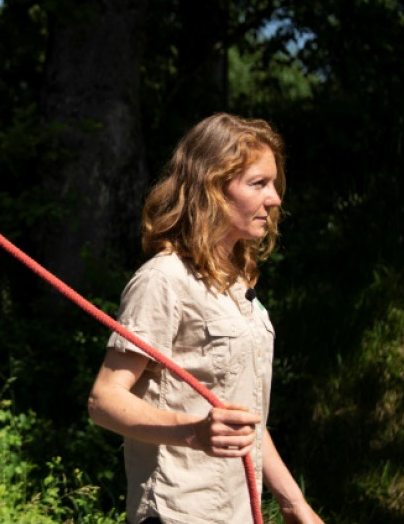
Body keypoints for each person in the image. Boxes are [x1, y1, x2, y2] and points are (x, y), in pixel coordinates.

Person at [88, 113, 323, 524]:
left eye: (273, 184)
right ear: (212, 188)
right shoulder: (163, 280)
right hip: (176, 512)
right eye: (258, 184)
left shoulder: (237, 285)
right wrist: (193, 432)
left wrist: (293, 502)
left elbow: (245, 417)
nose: (274, 198)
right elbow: (104, 401)